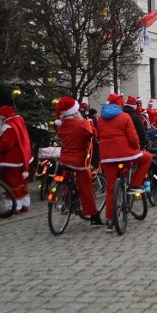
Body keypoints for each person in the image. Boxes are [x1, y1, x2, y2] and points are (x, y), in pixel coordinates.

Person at [97, 93, 152, 232]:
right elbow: (133, 137)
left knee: (110, 189)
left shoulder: (100, 119)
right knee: (147, 158)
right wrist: (136, 148)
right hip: (125, 154)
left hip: (107, 157)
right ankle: (134, 184)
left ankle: (109, 221)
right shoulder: (124, 117)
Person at [54, 96, 102, 227]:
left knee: (67, 177)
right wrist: (90, 124)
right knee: (86, 188)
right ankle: (94, 216)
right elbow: (94, 134)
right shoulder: (82, 123)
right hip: (79, 160)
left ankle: (66, 198)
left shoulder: (62, 125)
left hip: (65, 158)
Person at [0, 105, 33, 213]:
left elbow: (5, 145)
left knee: (12, 183)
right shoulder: (18, 120)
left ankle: (14, 207)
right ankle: (24, 204)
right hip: (23, 155)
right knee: (22, 182)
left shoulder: (8, 126)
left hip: (13, 159)